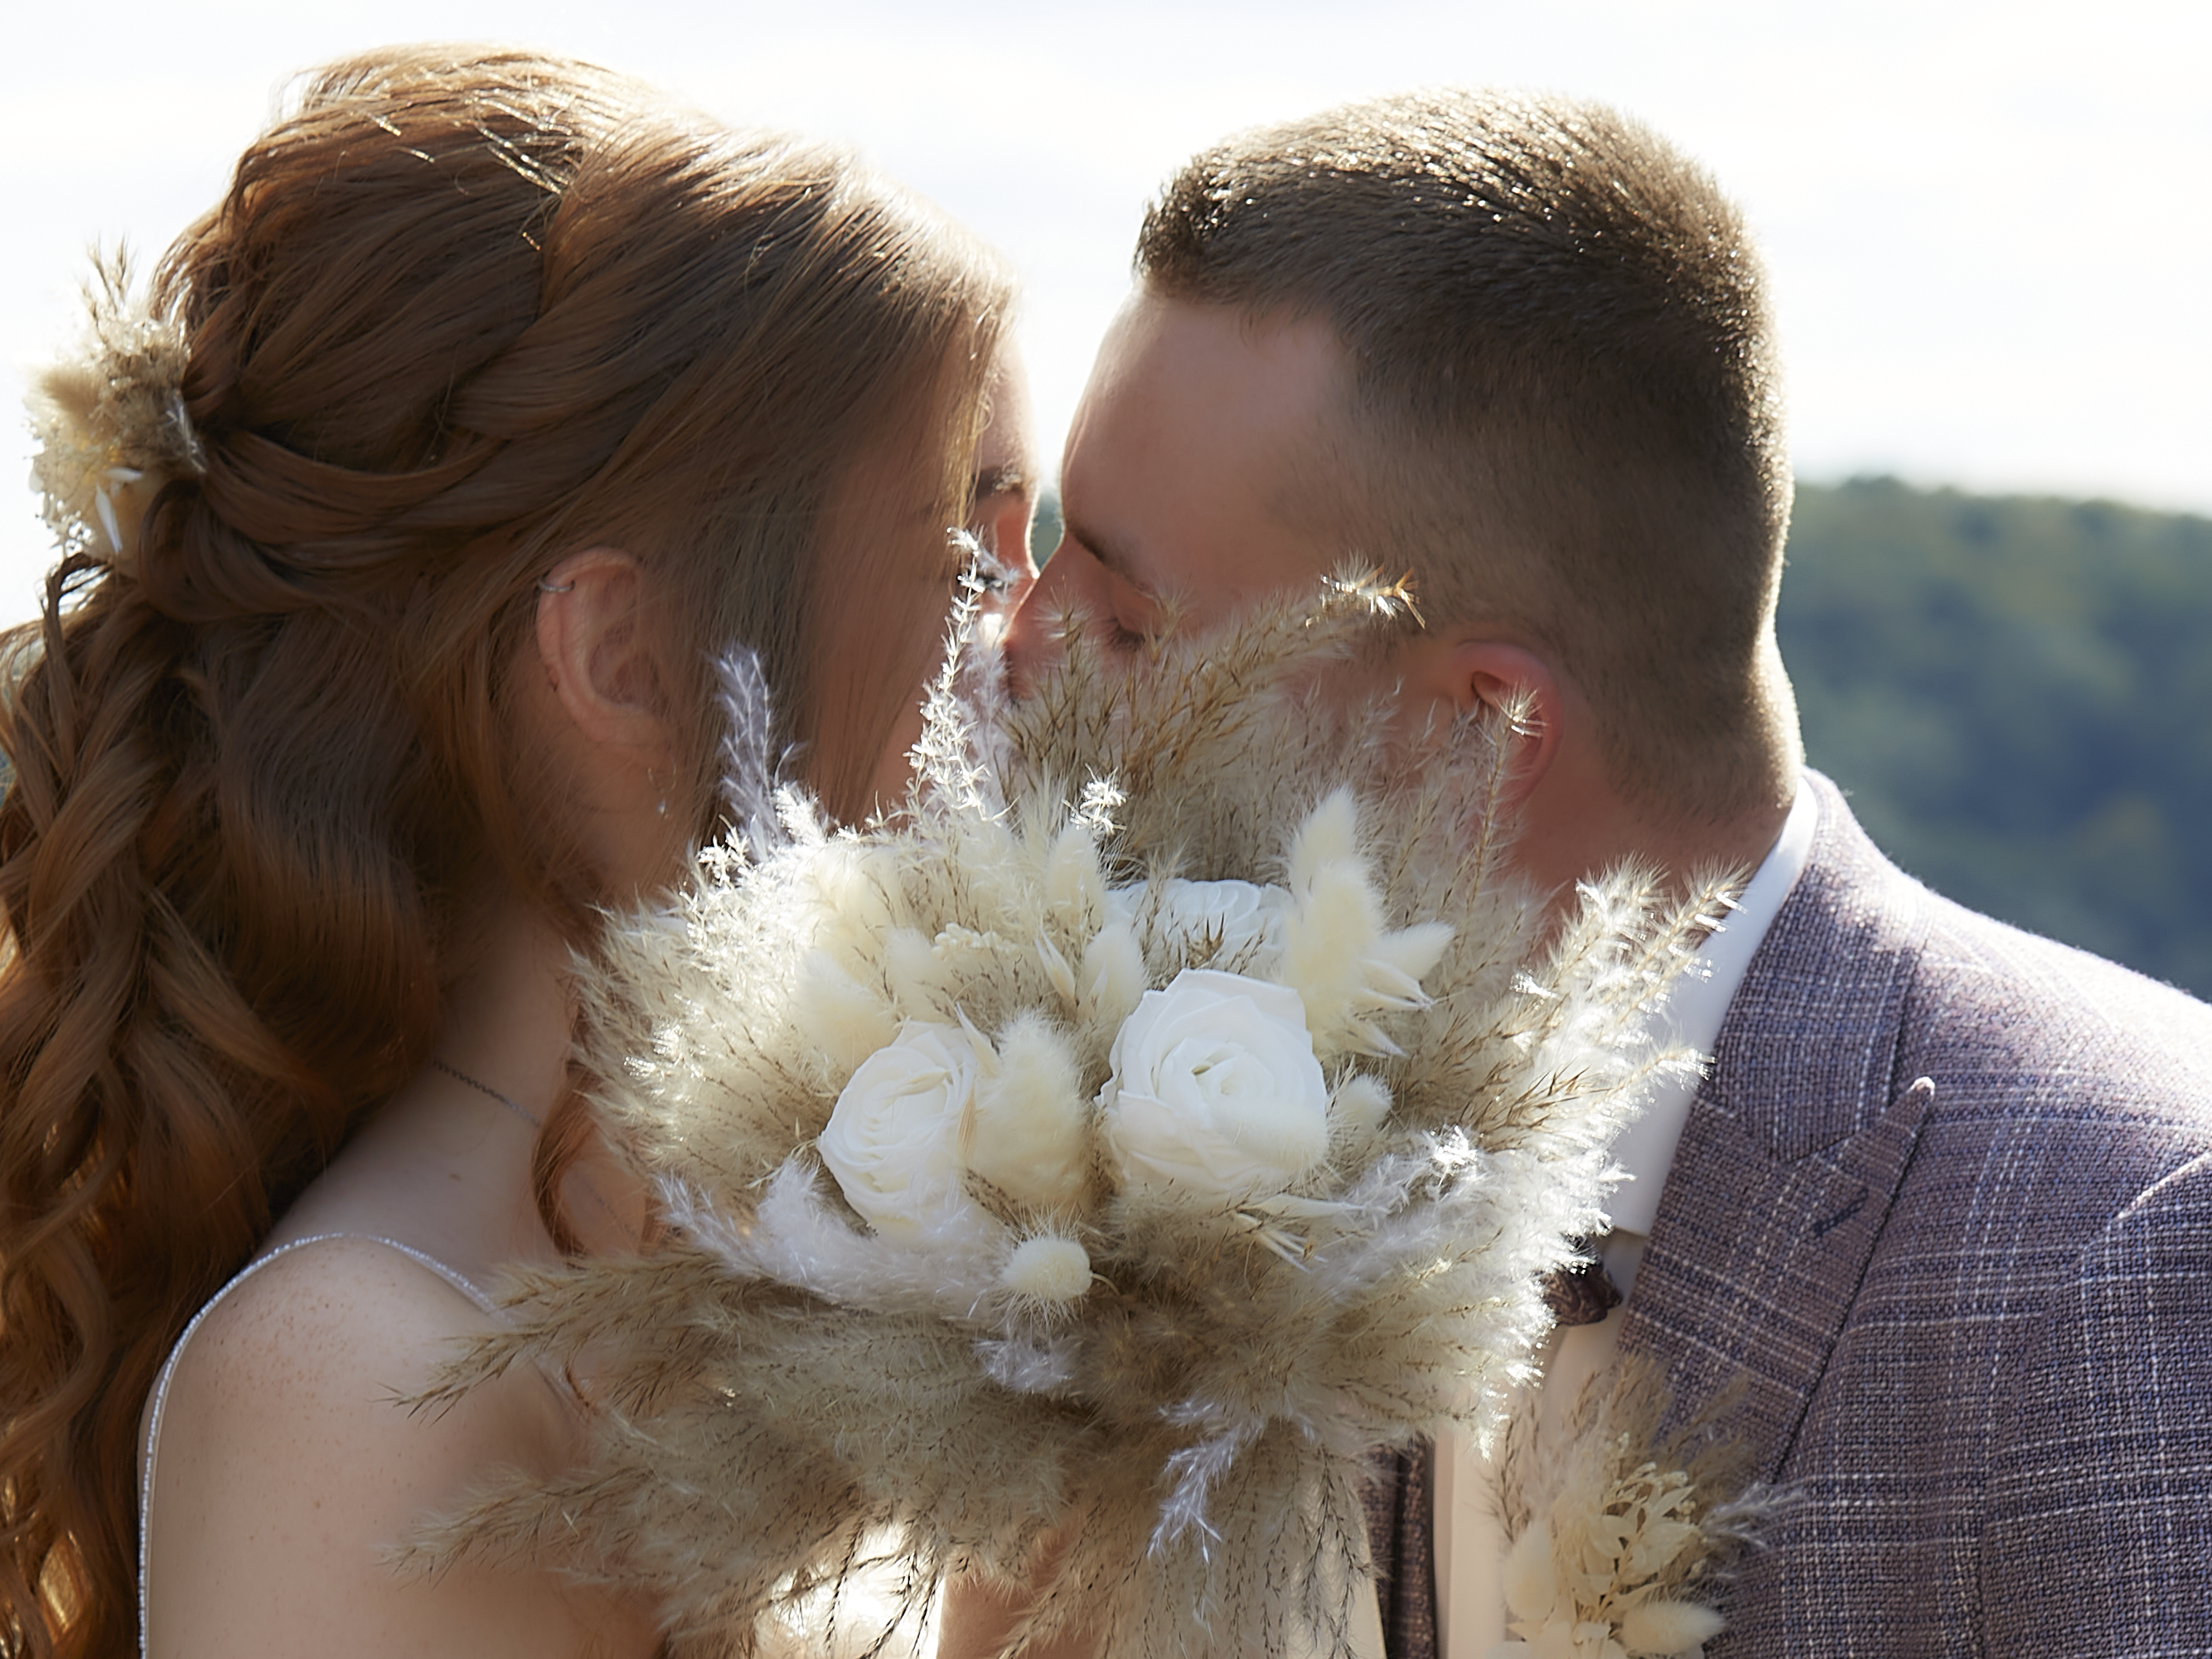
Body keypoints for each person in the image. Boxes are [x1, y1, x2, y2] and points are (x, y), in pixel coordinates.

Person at [1004, 89, 2212, 1657]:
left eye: (1124, 624)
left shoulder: (2126, 1258)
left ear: (1479, 733)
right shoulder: (1205, 1181)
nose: (1016, 647)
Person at [0, 48, 1024, 1659]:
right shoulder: (365, 1377)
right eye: (955, 566)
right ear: (626, 656)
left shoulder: (682, 1300)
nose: (1021, 650)